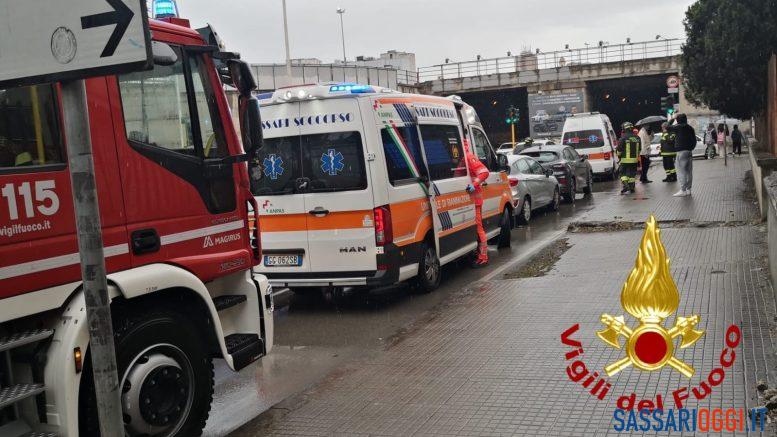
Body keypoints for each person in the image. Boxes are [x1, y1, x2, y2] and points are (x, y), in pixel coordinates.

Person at [464, 140, 490, 266]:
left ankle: (483, 257)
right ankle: (479, 254)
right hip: (470, 200)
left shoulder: (469, 157)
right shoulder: (464, 157)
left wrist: (474, 185)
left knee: (479, 229)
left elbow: (485, 172)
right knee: (477, 229)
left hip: (475, 200)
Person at [673, 114, 697, 197]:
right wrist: (691, 148)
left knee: (681, 171)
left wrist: (672, 119)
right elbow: (694, 140)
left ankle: (683, 190)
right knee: (689, 171)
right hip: (689, 151)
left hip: (681, 152)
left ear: (678, 120)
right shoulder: (690, 128)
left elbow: (667, 127)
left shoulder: (678, 127)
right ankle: (688, 189)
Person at [617, 122, 639, 194]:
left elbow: (619, 149)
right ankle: (632, 188)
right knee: (632, 174)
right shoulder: (637, 137)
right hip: (634, 160)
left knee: (622, 173)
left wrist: (619, 156)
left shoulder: (623, 138)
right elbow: (640, 149)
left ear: (624, 129)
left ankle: (626, 185)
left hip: (625, 160)